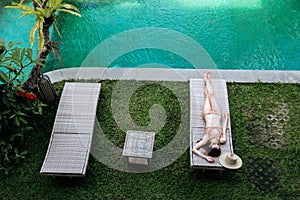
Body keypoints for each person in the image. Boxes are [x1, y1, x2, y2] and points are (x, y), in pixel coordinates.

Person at [192, 72, 229, 163]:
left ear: (210, 147)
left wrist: (205, 157)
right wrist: (226, 118)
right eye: (218, 147)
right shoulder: (222, 140)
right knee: (211, 95)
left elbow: (194, 149)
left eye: (214, 146)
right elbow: (224, 129)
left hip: (207, 113)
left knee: (208, 96)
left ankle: (206, 79)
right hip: (217, 113)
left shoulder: (206, 139)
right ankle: (207, 80)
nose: (216, 145)